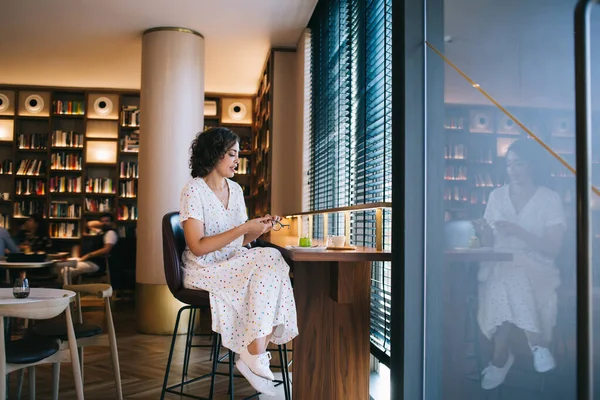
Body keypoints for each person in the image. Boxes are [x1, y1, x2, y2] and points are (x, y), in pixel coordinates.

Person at [179, 127, 298, 396]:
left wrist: (260, 228)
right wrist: (244, 228)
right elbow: (198, 247)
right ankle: (253, 353)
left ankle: (253, 351)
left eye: (238, 155)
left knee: (272, 257)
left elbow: (239, 242)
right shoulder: (193, 191)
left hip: (231, 262)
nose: (237, 161)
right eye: (232, 154)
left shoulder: (236, 189)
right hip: (204, 269)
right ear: (215, 154)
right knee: (271, 258)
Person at [472, 139, 566, 390]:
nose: (512, 170)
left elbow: (553, 248)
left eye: (519, 164)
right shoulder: (496, 196)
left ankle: (500, 357)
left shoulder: (549, 199)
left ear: (532, 165)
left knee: (510, 278)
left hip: (539, 266)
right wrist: (483, 233)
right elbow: (491, 242)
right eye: (509, 164)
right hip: (500, 263)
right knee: (508, 274)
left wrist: (518, 231)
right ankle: (538, 345)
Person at [61, 213, 118, 283]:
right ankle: (71, 286)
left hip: (96, 263)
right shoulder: (101, 232)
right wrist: (102, 224)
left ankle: (68, 290)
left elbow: (106, 249)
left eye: (107, 221)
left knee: (66, 270)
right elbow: (89, 224)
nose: (104, 223)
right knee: (63, 264)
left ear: (112, 223)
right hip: (88, 260)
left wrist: (88, 255)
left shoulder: (110, 233)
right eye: (102, 221)